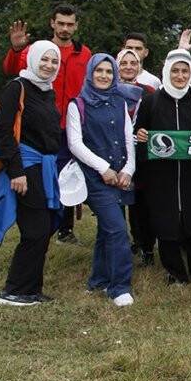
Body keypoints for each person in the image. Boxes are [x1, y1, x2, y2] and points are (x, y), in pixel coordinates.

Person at [4, 3, 91, 244]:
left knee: (68, 173)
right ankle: (39, 223)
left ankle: (65, 227)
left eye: (70, 24)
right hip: (41, 127)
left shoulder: (84, 54)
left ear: (76, 26)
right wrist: (16, 49)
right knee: (45, 175)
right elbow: (11, 70)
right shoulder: (40, 51)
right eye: (60, 23)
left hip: (72, 126)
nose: (65, 28)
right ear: (52, 23)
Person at [133, 49, 191, 284]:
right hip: (162, 176)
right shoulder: (151, 101)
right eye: (175, 71)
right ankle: (175, 273)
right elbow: (138, 134)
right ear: (166, 71)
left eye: (185, 71)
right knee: (166, 225)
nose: (180, 76)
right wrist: (141, 136)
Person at [0, 41, 64, 306]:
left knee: (43, 229)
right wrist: (16, 171)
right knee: (35, 230)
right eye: (44, 59)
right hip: (26, 167)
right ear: (32, 59)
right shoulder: (16, 88)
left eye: (54, 61)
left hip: (44, 168)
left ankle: (31, 289)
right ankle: (14, 290)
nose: (49, 65)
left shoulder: (47, 90)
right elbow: (3, 131)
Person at [66, 54, 138, 306]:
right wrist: (104, 169)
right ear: (90, 73)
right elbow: (75, 144)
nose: (104, 76)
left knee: (105, 230)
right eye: (99, 71)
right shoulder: (77, 104)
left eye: (109, 71)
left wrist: (128, 170)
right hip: (97, 179)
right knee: (118, 230)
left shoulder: (120, 102)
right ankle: (119, 287)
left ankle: (98, 280)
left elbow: (129, 138)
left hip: (120, 177)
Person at [118, 48, 156, 266]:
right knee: (116, 203)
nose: (129, 67)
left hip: (141, 155)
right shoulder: (108, 90)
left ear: (139, 66)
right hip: (115, 154)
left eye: (133, 63)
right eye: (124, 63)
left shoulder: (148, 91)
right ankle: (120, 245)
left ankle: (145, 246)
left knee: (141, 204)